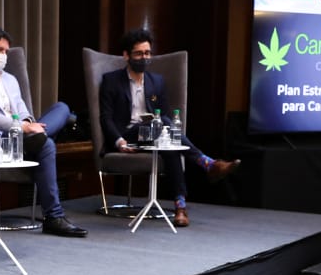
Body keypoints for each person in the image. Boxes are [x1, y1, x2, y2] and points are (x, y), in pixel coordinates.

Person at [98, 27, 239, 227]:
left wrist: (161, 124)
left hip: (154, 134)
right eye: (138, 54)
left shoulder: (157, 81)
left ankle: (180, 207)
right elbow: (106, 118)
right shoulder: (111, 80)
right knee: (164, 127)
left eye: (147, 53)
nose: (144, 58)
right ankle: (206, 163)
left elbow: (164, 114)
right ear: (126, 56)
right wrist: (119, 141)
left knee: (169, 144)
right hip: (127, 136)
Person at [0, 26, 87, 237]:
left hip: (21, 138)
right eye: (0, 50)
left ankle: (37, 137)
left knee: (61, 108)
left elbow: (23, 110)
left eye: (6, 51)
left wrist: (27, 122)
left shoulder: (10, 79)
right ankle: (54, 217)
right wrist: (23, 127)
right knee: (46, 143)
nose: (4, 56)